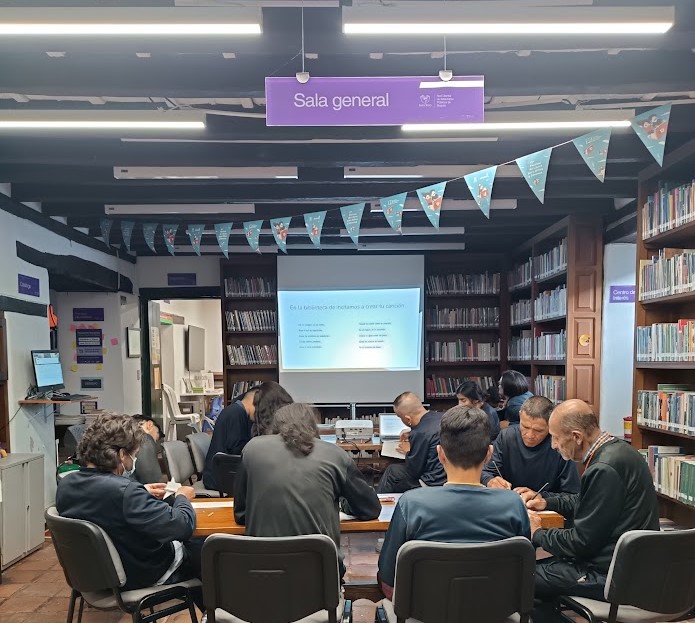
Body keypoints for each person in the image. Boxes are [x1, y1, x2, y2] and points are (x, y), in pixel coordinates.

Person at [377, 406, 531, 600]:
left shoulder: (411, 503)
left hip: (426, 613)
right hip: (496, 611)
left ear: (440, 454)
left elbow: (388, 573)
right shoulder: (513, 504)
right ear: (489, 454)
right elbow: (524, 567)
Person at [526, 399, 659, 610]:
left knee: (522, 577)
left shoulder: (603, 468)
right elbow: (589, 501)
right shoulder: (622, 452)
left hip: (610, 575)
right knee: (537, 572)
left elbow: (581, 542)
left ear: (576, 437)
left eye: (556, 438)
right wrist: (547, 502)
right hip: (632, 566)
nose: (553, 445)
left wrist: (538, 533)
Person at [55, 414, 201, 595]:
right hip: (139, 576)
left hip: (95, 577)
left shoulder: (66, 484)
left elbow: (104, 503)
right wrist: (182, 498)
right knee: (206, 551)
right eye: (135, 455)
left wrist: (140, 491)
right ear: (122, 455)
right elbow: (182, 526)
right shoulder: (125, 493)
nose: (135, 460)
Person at [234, 403, 381, 575]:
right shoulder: (335, 454)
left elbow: (241, 514)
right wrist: (341, 503)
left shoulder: (252, 449)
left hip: (263, 573)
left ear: (275, 426)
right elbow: (371, 509)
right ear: (312, 426)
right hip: (320, 574)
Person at [481, 396, 579, 495]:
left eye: (538, 430)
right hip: (510, 502)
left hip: (545, 508)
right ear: (520, 416)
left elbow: (573, 495)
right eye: (525, 427)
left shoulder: (562, 445)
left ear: (551, 424)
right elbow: (485, 472)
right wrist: (489, 480)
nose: (530, 435)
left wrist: (542, 497)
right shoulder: (506, 437)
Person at [376, 392, 446, 493]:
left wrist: (409, 451)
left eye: (400, 417)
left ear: (408, 419)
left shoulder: (419, 433)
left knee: (392, 471)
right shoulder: (443, 417)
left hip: (432, 483)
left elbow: (414, 471)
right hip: (450, 477)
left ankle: (377, 505)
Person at [202, 387, 257, 491]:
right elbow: (236, 451)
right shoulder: (236, 414)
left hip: (220, 473)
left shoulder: (235, 411)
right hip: (219, 478)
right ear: (254, 401)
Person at [131, 414, 164, 485]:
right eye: (157, 434)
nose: (155, 441)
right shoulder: (145, 440)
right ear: (150, 425)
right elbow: (151, 479)